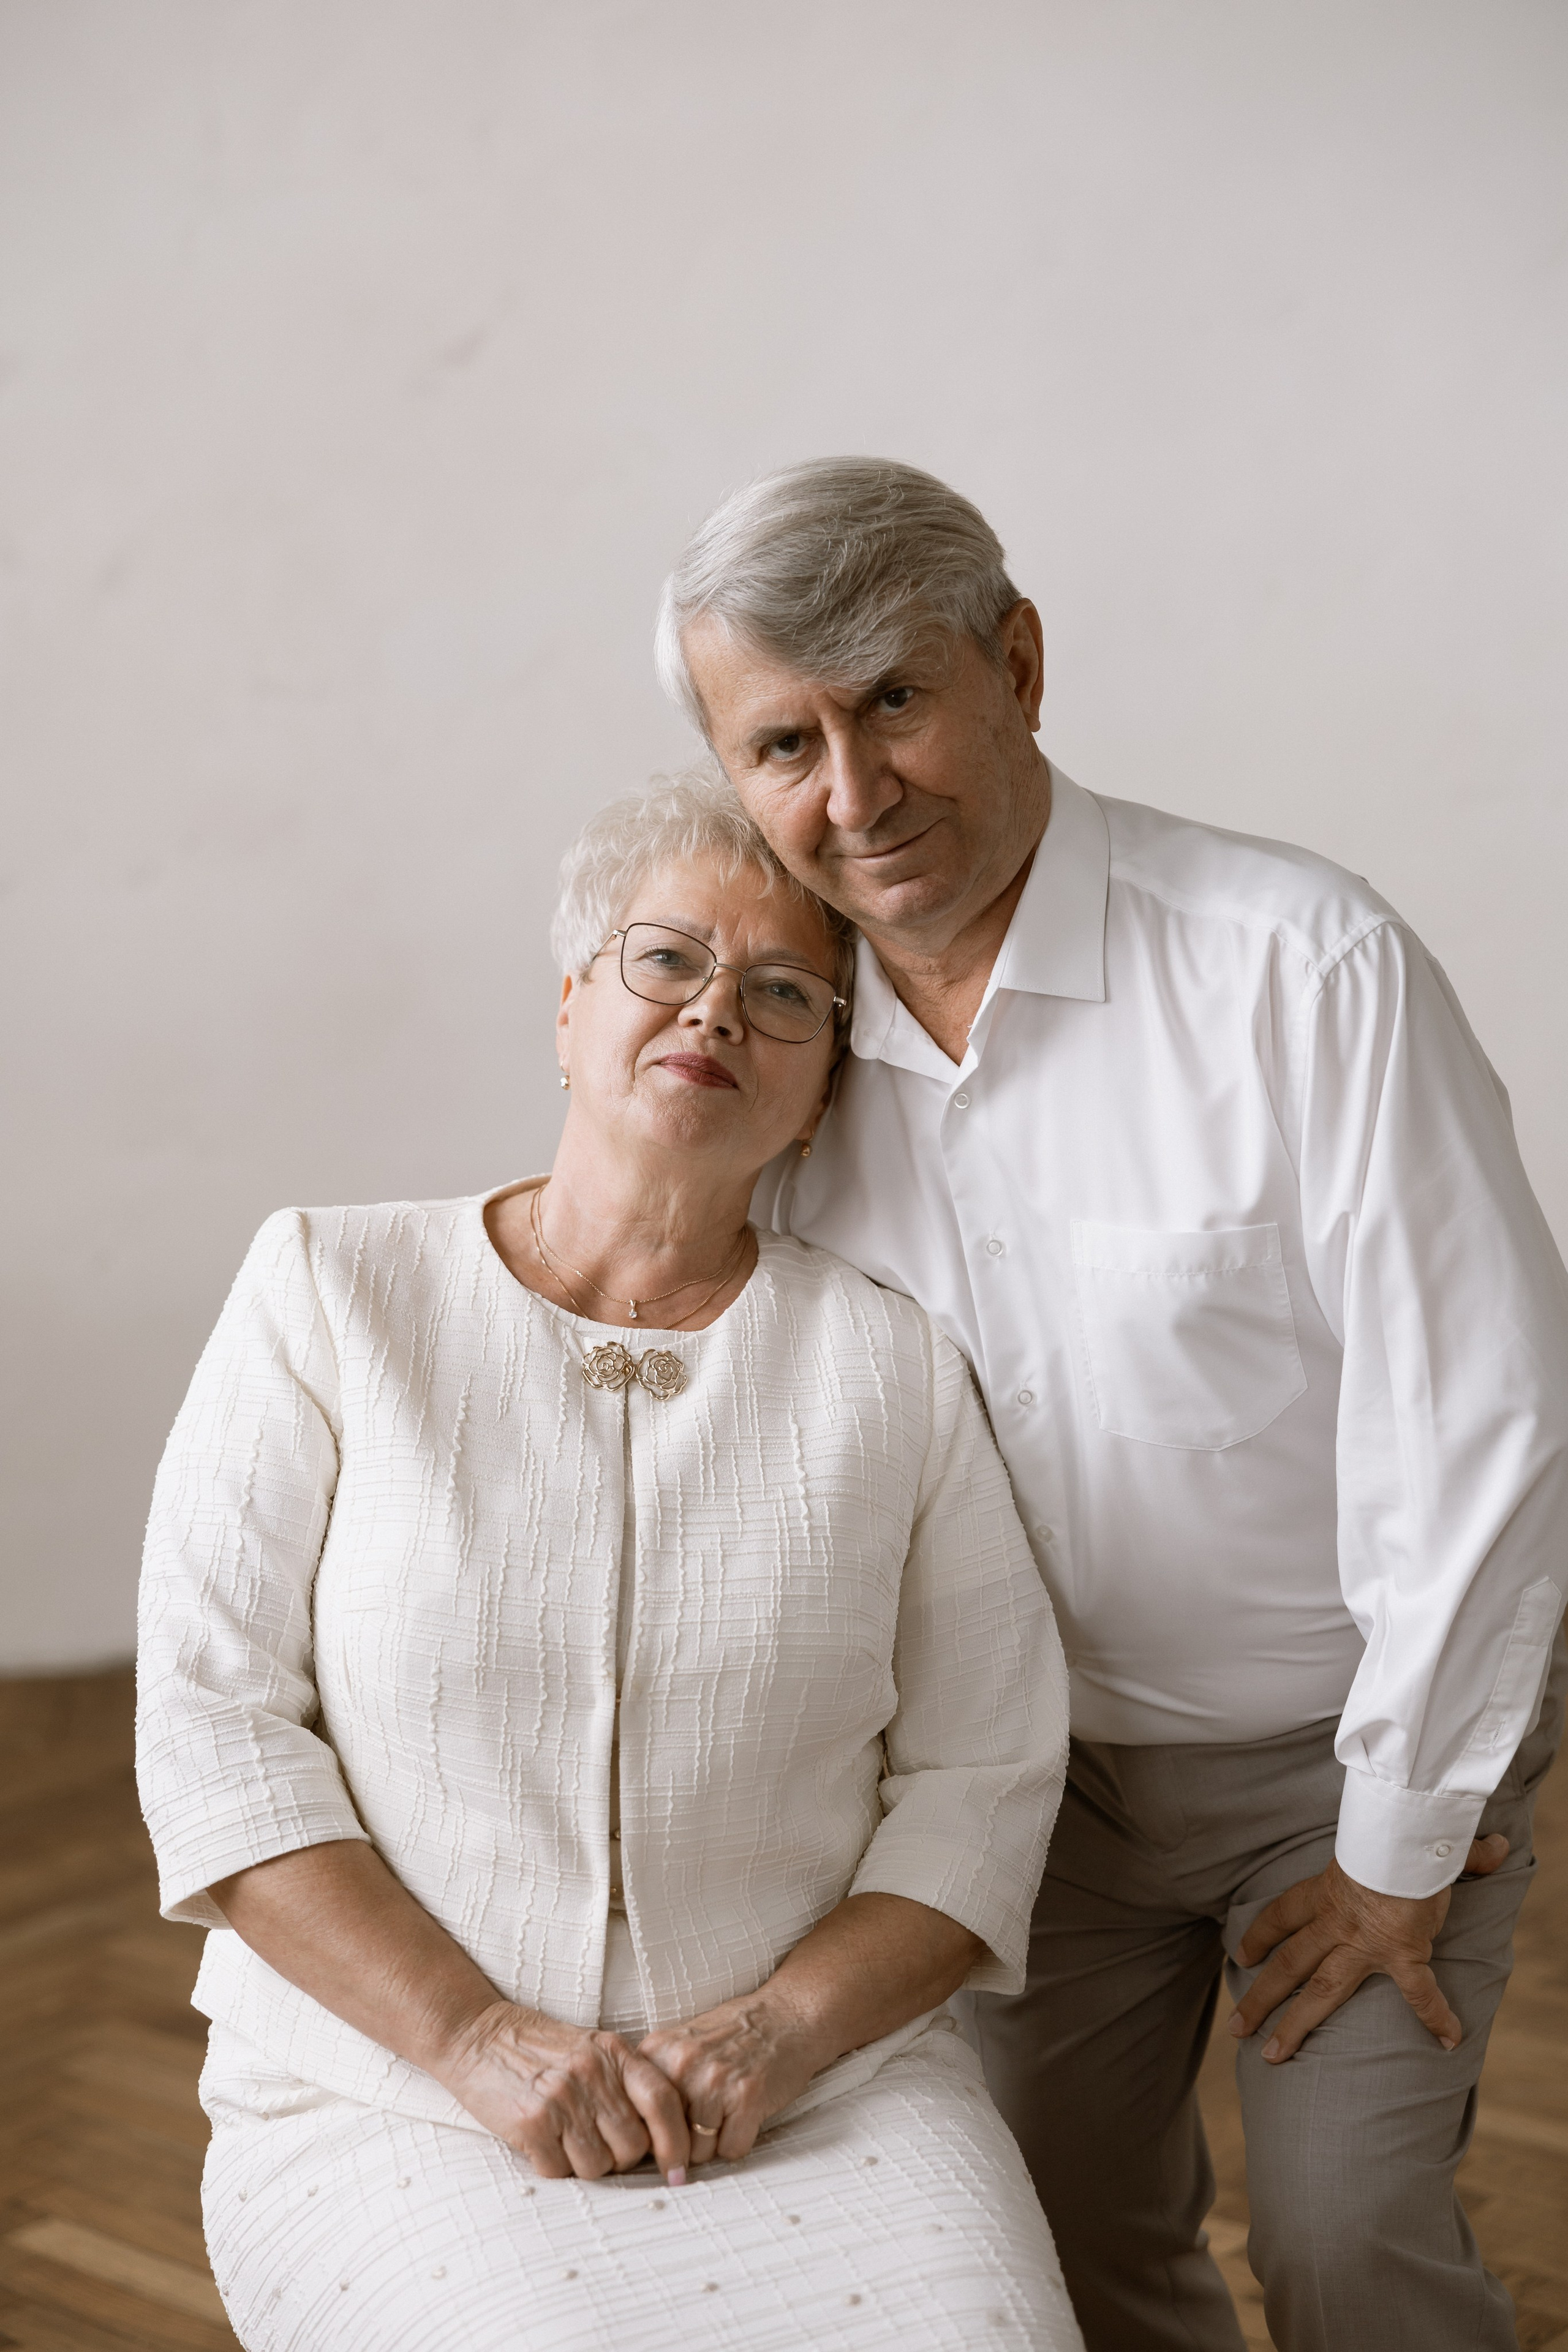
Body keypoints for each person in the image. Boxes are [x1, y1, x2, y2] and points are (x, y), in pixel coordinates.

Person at [657, 456, 1568, 2352]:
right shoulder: (783, 1055)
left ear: (1019, 662)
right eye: (782, 746)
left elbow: (1485, 1418)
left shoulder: (1301, 966)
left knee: (1346, 2255)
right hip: (1020, 1792)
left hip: (1342, 1749)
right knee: (1053, 2256)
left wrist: (1399, 1844)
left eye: (895, 701)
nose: (854, 796)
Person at [135, 772, 1086, 2352]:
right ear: (572, 1006)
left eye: (787, 992)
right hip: (399, 2093)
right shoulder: (328, 1289)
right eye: (667, 961)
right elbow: (214, 1730)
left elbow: (985, 1774)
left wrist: (779, 2034)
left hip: (824, 2092)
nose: (717, 1012)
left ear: (825, 1085)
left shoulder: (893, 1365)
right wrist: (474, 2037)